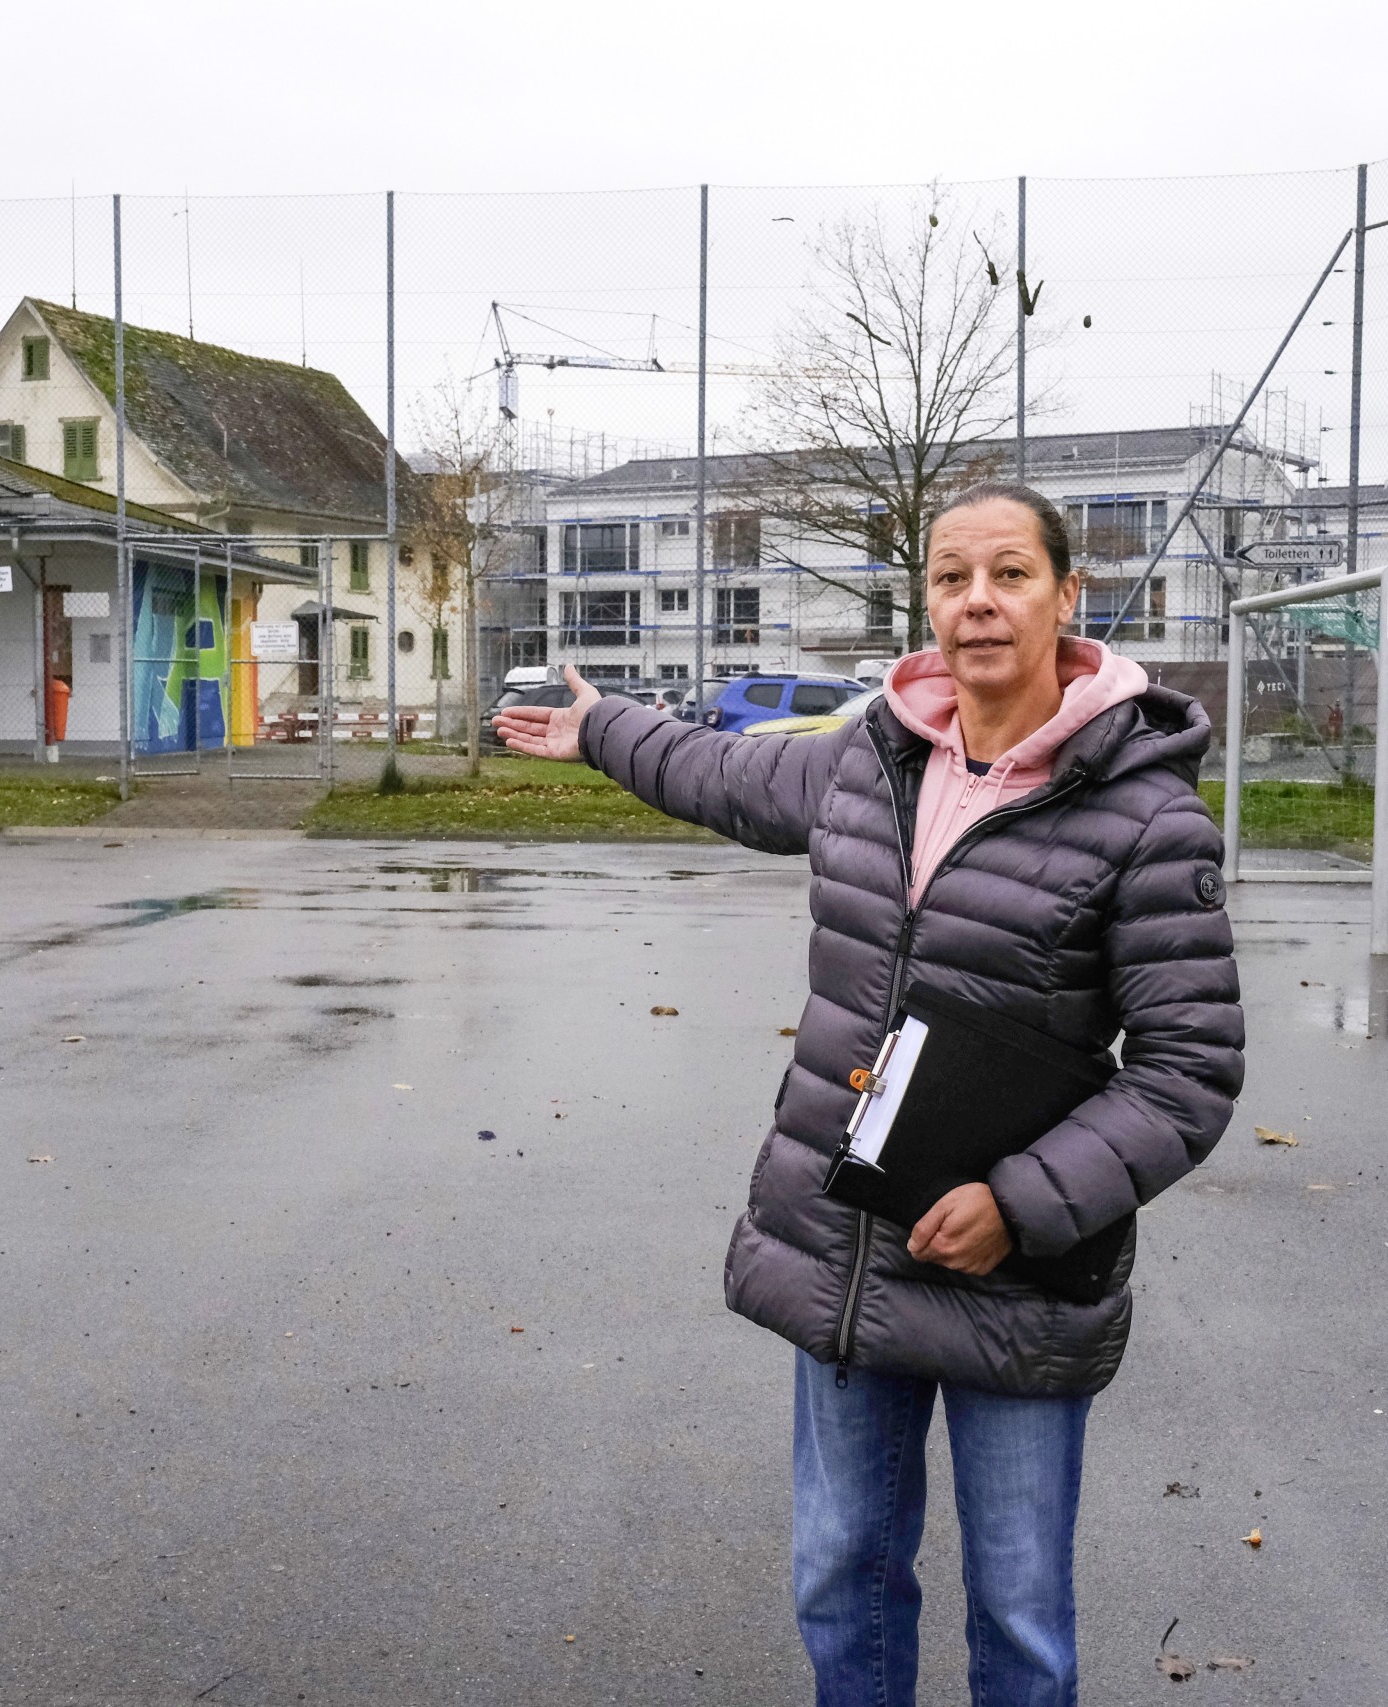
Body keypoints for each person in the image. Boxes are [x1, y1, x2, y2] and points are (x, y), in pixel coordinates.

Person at [493, 481, 1242, 1707]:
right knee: (841, 1573)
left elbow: (1188, 1071)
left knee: (1017, 1611)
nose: (978, 604)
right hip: (849, 1238)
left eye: (1008, 575)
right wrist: (602, 726)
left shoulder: (1146, 814)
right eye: (952, 579)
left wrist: (1018, 1203)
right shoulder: (874, 756)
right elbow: (727, 773)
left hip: (1013, 1270)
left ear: (1067, 594)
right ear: (927, 600)